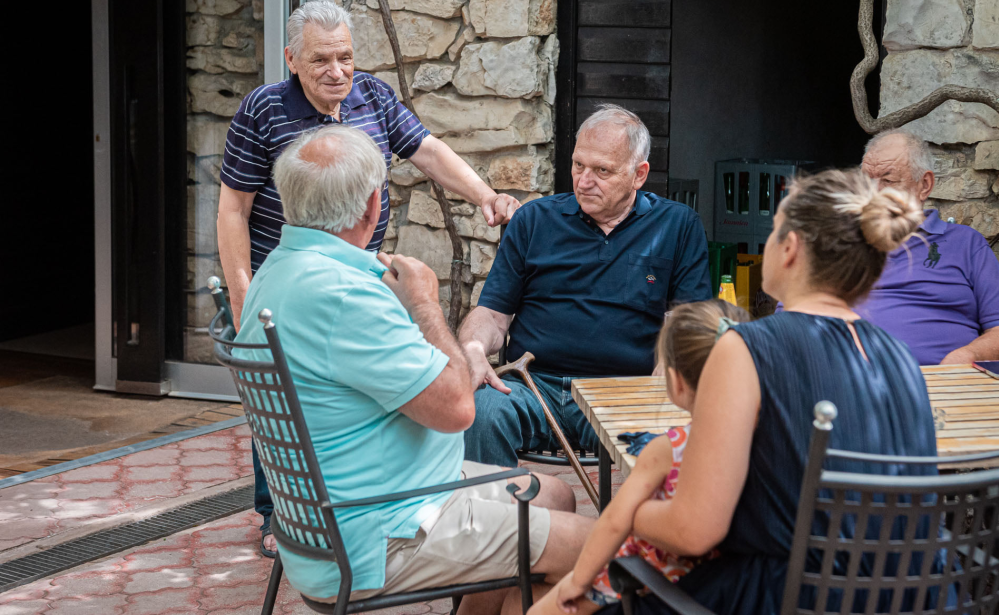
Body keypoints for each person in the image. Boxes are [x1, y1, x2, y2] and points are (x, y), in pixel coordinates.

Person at [234, 125, 592, 612]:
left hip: (326, 524)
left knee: (553, 496)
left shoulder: (276, 270)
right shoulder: (346, 298)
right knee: (603, 551)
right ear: (371, 206)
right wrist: (424, 304)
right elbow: (458, 408)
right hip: (386, 532)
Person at [218, 0, 520, 556]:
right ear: (291, 59)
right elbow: (233, 208)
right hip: (288, 280)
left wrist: (485, 195)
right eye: (321, 60)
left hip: (355, 275)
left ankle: (378, 495)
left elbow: (427, 150)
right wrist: (242, 296)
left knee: (361, 389)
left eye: (346, 57)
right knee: (288, 396)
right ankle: (280, 516)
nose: (337, 71)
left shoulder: (373, 97)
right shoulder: (263, 110)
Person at [580, 169, 938, 615]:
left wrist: (626, 510)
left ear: (790, 249)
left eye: (772, 230)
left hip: (791, 595)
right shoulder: (902, 357)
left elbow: (694, 531)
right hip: (910, 596)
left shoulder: (748, 348)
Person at [458, 104, 713, 468]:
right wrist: (472, 347)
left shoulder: (677, 226)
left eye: (602, 170)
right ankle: (501, 517)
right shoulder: (534, 219)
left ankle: (634, 525)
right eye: (579, 165)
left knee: (669, 429)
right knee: (482, 411)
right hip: (533, 386)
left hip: (624, 392)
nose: (583, 181)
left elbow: (684, 323)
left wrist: (666, 374)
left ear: (639, 175)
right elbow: (493, 315)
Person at [530, 301, 750, 615]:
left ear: (675, 381)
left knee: (539, 611)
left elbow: (614, 521)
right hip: (716, 583)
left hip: (644, 576)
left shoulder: (668, 447)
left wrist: (577, 582)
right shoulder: (757, 439)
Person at [859, 130, 999, 365]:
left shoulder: (966, 244)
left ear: (924, 185)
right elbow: (795, 320)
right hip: (852, 386)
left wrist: (968, 356)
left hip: (943, 389)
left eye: (888, 180)